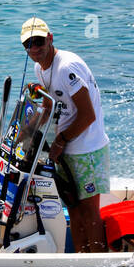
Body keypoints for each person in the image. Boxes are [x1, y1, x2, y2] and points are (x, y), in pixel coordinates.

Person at [20, 17, 109, 253]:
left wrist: (60, 141)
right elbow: (50, 107)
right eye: (28, 45)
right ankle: (80, 258)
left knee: (89, 212)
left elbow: (88, 115)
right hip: (66, 146)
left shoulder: (67, 67)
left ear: (50, 38)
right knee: (74, 208)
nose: (34, 49)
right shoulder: (41, 69)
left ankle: (97, 266)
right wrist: (27, 132)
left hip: (86, 148)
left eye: (38, 41)